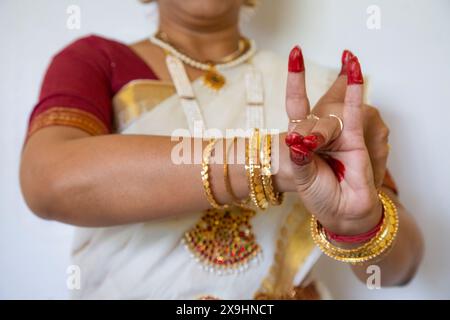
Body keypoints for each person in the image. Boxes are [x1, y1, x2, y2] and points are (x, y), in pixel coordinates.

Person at [20, 0, 423, 299]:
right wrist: (270, 161)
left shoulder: (321, 92)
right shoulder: (97, 61)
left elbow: (401, 268)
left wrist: (357, 224)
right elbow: (50, 181)